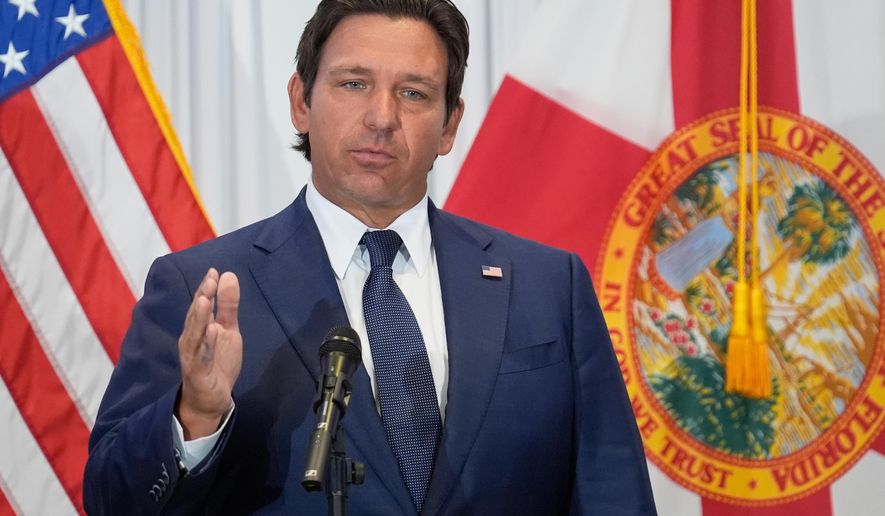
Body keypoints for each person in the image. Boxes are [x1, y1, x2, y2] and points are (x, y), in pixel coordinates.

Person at [83, 0, 657, 514]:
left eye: (414, 93)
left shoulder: (549, 286)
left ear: (449, 125)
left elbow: (614, 496)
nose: (382, 117)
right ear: (301, 101)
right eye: (354, 83)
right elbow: (111, 501)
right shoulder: (200, 288)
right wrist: (195, 416)